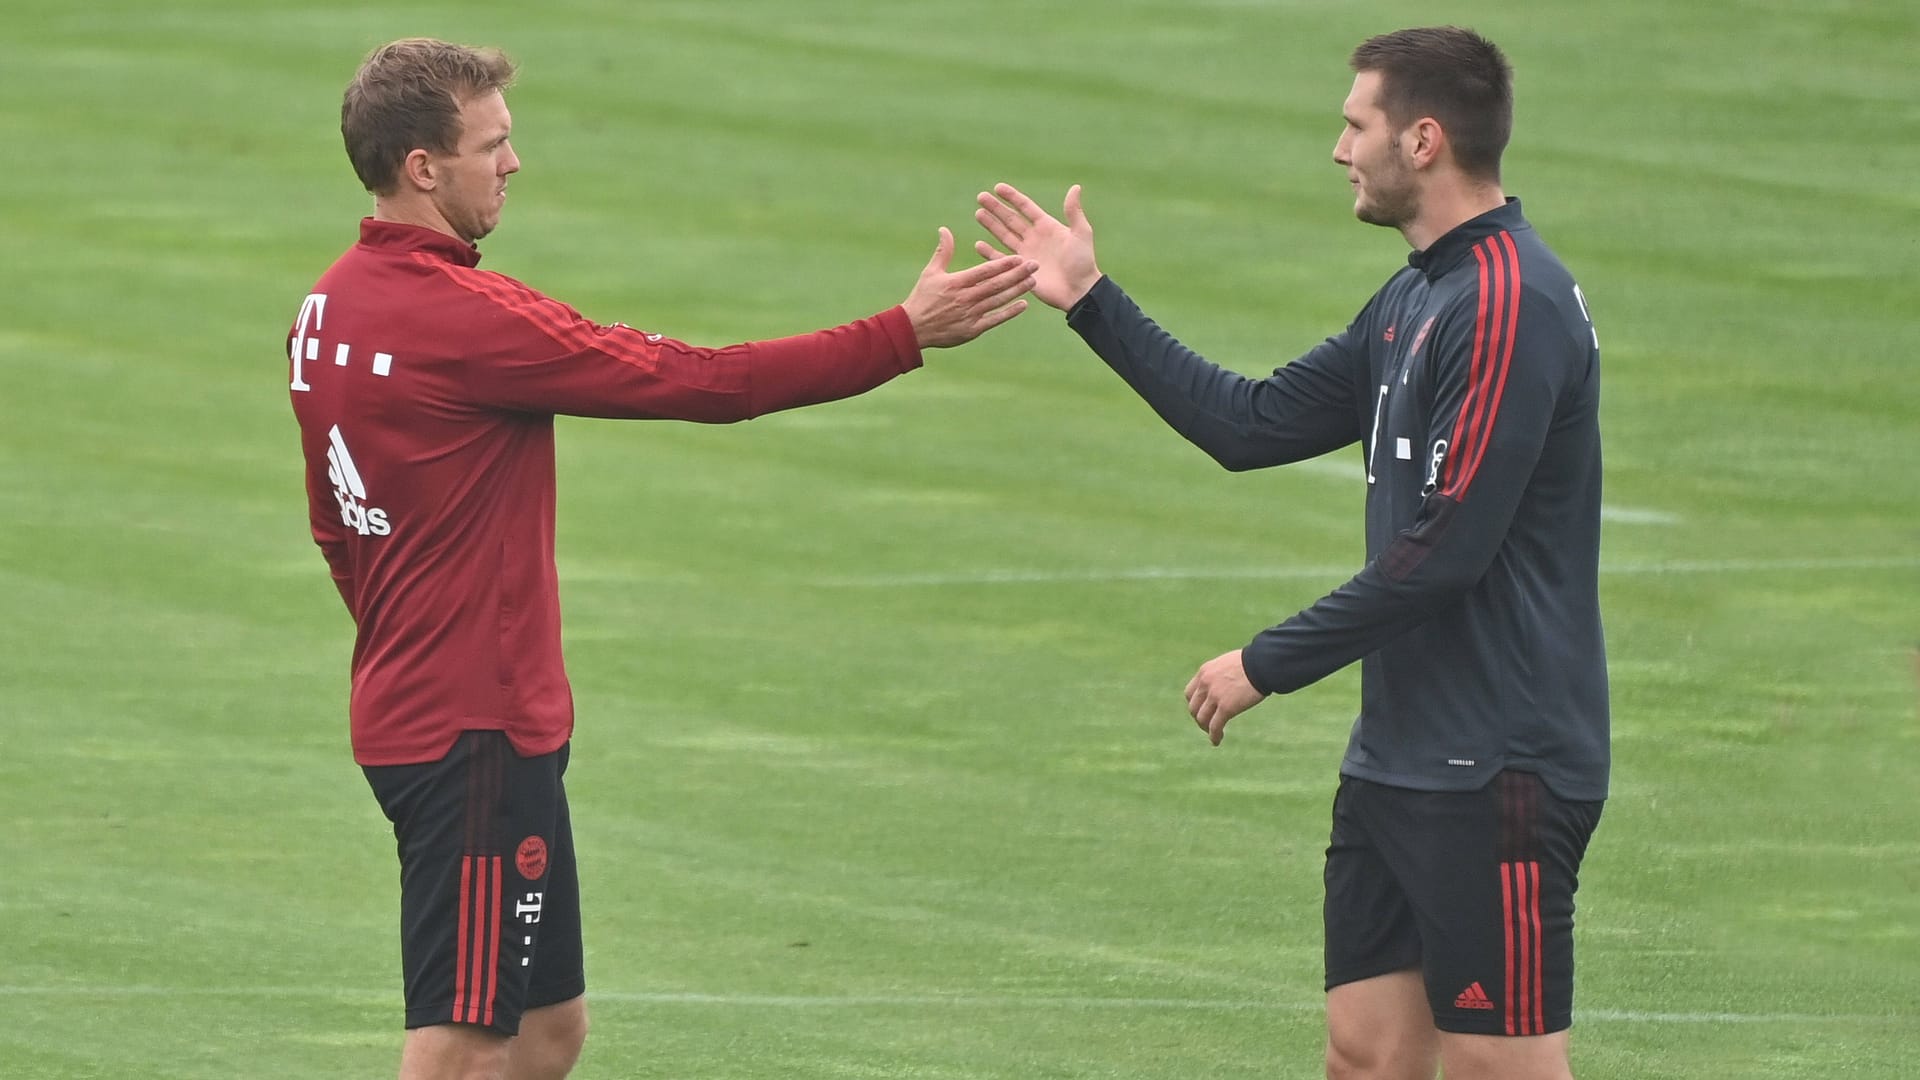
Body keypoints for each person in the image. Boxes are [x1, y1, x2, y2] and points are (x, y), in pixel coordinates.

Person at [287, 37, 1035, 1080]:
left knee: (548, 1034)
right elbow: (698, 381)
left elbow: (335, 524)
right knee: (459, 1043)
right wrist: (902, 333)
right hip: (473, 734)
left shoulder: (327, 306)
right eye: (492, 144)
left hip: (439, 711)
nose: (514, 163)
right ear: (423, 165)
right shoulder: (463, 318)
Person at [974, 25, 1607, 1080]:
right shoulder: (1418, 295)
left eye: (1354, 124)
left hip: (1498, 763)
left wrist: (1266, 663)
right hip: (1399, 758)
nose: (1337, 148)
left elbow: (1447, 548)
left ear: (1423, 140)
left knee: (1502, 1067)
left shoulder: (1509, 302)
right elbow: (1252, 424)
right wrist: (1089, 299)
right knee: (1363, 1056)